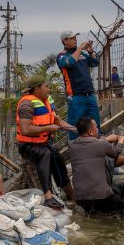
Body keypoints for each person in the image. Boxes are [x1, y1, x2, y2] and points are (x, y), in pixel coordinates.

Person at [16, 75, 76, 210]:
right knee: (46, 154)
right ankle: (48, 196)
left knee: (58, 160)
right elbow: (25, 130)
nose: (49, 89)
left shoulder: (48, 101)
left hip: (44, 142)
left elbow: (58, 122)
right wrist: (48, 128)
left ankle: (72, 197)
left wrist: (75, 129)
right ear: (37, 89)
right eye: (46, 86)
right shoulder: (26, 104)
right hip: (27, 145)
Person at [68, 116, 124, 214]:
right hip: (101, 197)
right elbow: (115, 153)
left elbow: (92, 147)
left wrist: (106, 140)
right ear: (90, 132)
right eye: (96, 127)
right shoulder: (101, 144)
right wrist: (121, 141)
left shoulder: (72, 146)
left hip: (80, 198)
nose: (98, 129)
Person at [56, 30, 100, 140]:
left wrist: (90, 52)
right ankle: (75, 147)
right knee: (76, 126)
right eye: (72, 38)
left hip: (90, 95)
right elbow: (69, 62)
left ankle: (96, 146)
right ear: (64, 41)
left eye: (76, 37)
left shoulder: (83, 54)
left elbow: (95, 62)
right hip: (76, 96)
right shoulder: (62, 56)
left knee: (95, 124)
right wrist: (80, 48)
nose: (75, 40)